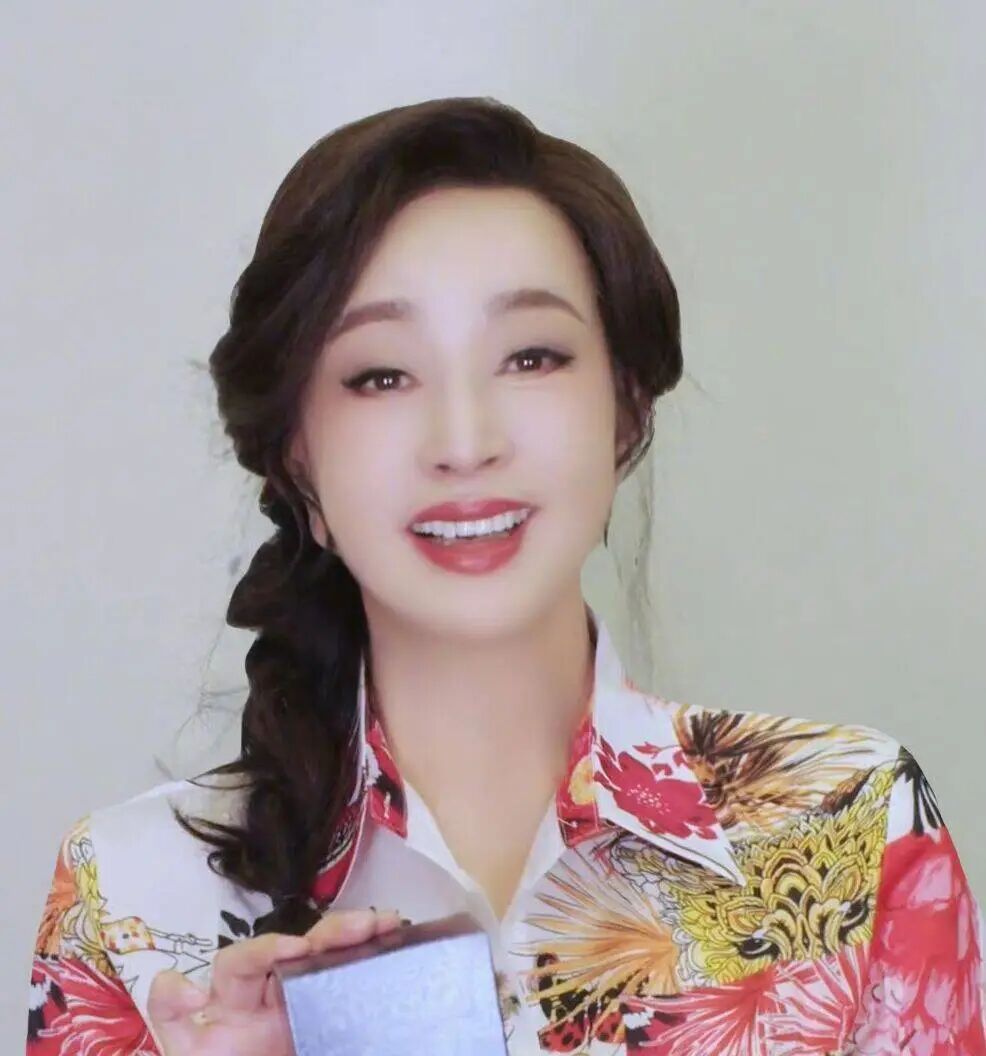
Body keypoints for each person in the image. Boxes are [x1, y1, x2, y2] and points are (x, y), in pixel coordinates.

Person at [26, 95, 986, 1056]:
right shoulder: (129, 899)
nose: (465, 441)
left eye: (531, 356)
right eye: (381, 375)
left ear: (624, 411)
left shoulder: (851, 827)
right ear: (296, 458)